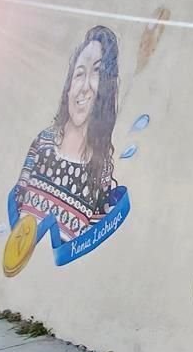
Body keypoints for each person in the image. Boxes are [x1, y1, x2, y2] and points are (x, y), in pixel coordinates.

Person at [14, 26, 120, 242]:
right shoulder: (43, 143)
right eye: (79, 74)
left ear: (107, 89)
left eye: (97, 72)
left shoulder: (102, 168)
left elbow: (89, 239)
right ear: (68, 86)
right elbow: (17, 204)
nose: (85, 87)